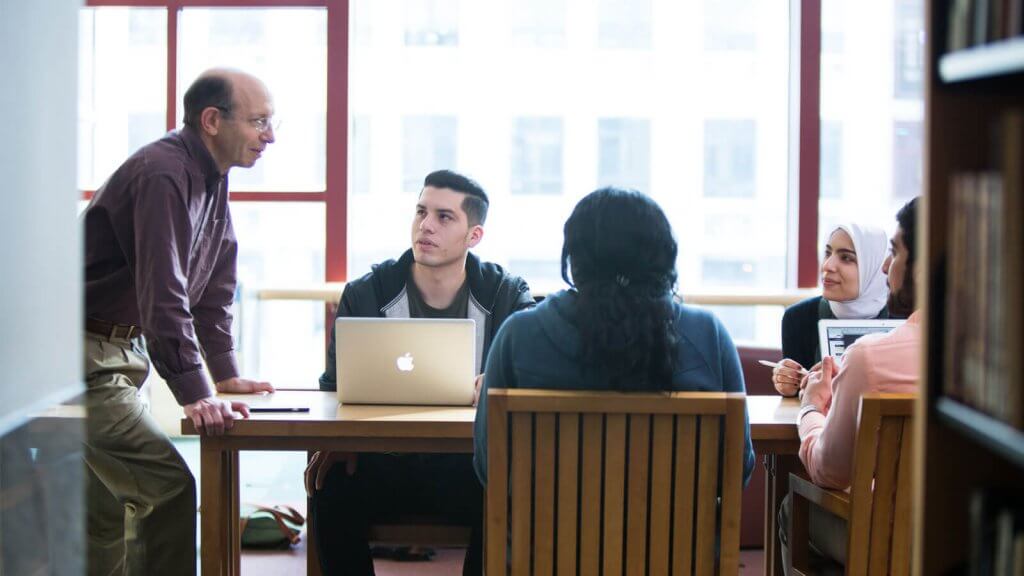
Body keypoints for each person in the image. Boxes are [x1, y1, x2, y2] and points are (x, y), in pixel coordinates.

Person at [82, 69, 277, 574]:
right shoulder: (163, 172)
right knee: (165, 485)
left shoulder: (211, 175)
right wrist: (196, 392)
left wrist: (225, 373)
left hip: (123, 352)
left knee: (104, 508)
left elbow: (213, 285)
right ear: (212, 120)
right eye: (258, 121)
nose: (269, 136)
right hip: (80, 354)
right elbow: (162, 292)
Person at [305, 169, 534, 575]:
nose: (426, 226)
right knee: (331, 482)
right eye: (421, 212)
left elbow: (531, 376)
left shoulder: (506, 294)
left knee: (512, 487)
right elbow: (333, 387)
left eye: (444, 217)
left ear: (473, 236)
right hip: (383, 461)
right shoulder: (368, 291)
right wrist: (337, 438)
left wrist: (502, 380)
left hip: (471, 466)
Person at [474, 187, 755, 489]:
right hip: (674, 536)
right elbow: (738, 466)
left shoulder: (520, 336)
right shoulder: (707, 334)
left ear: (575, 258)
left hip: (551, 535)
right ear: (663, 257)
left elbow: (489, 465)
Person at [779, 197, 921, 573]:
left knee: (793, 508)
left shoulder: (868, 357)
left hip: (884, 531)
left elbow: (829, 470)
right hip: (956, 532)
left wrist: (810, 406)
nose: (889, 264)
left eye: (895, 252)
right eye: (828, 253)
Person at [773, 223, 891, 397]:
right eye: (828, 253)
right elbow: (798, 400)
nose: (827, 265)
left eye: (846, 258)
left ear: (874, 268)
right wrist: (789, 383)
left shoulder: (906, 319)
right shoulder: (798, 318)